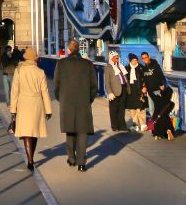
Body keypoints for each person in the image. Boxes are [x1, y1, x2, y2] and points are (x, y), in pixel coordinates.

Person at [51, 41, 97, 171]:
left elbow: (56, 84)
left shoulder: (61, 63)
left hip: (67, 102)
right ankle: (82, 163)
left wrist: (61, 99)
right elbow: (94, 86)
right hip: (83, 103)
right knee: (82, 132)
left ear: (69, 50)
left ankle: (71, 158)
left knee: (70, 131)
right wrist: (89, 100)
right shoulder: (87, 64)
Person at [8, 46, 53, 172]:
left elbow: (14, 91)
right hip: (37, 103)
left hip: (23, 103)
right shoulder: (40, 72)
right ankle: (31, 157)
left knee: (26, 133)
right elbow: (45, 92)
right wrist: (48, 110)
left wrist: (13, 109)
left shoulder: (19, 71)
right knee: (34, 132)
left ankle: (30, 160)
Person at [134, 49, 167, 130]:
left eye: (146, 57)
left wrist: (161, 85)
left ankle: (162, 125)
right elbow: (143, 79)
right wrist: (144, 86)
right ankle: (156, 126)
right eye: (143, 58)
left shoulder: (155, 65)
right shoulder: (144, 68)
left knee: (159, 108)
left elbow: (160, 75)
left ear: (149, 57)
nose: (145, 59)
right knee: (152, 109)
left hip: (157, 90)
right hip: (150, 91)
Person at [103, 49, 129, 133]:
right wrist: (109, 92)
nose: (117, 58)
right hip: (115, 91)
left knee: (122, 109)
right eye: (115, 57)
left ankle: (122, 126)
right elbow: (107, 81)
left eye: (117, 57)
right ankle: (114, 126)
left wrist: (128, 88)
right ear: (111, 58)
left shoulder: (121, 66)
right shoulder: (108, 67)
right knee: (113, 109)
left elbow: (125, 77)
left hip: (123, 88)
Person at [125, 53, 147, 132]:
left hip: (139, 89)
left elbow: (145, 78)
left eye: (136, 60)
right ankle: (135, 124)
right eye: (133, 60)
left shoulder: (141, 68)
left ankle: (143, 124)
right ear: (130, 61)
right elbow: (124, 80)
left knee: (141, 107)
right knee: (132, 108)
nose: (135, 61)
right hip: (130, 90)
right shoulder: (126, 68)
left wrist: (145, 87)